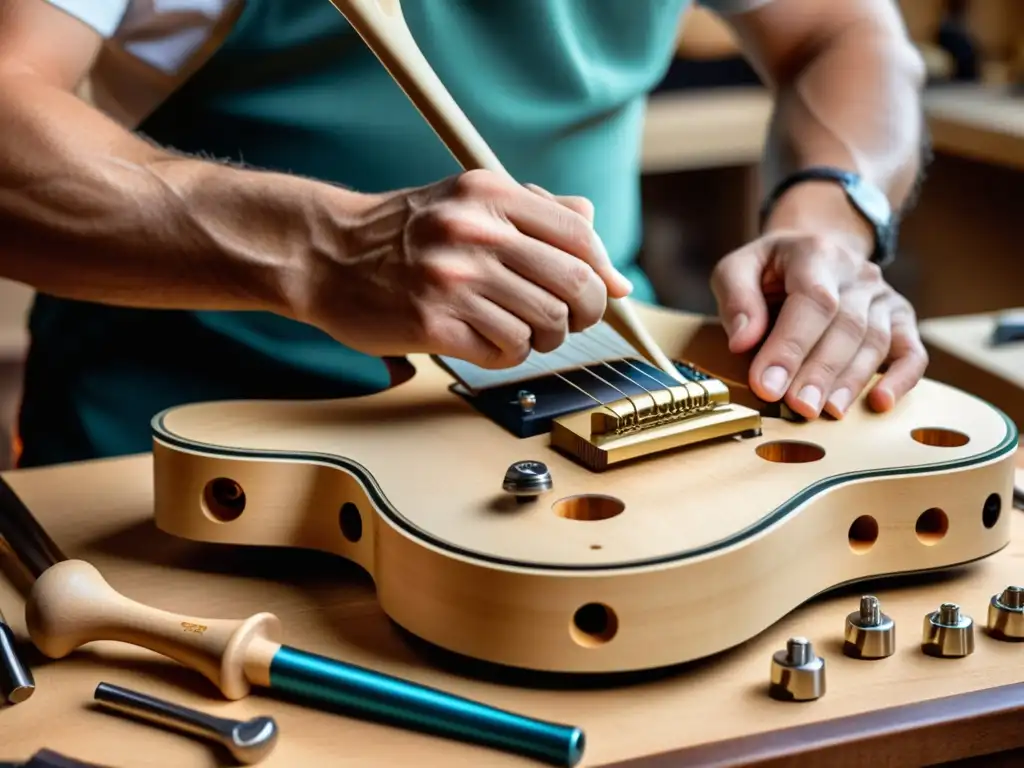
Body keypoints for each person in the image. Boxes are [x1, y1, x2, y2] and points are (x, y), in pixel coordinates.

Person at [0, 0, 929, 468]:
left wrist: (831, 221)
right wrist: (323, 247)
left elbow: (848, 31)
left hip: (586, 405)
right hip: (198, 450)